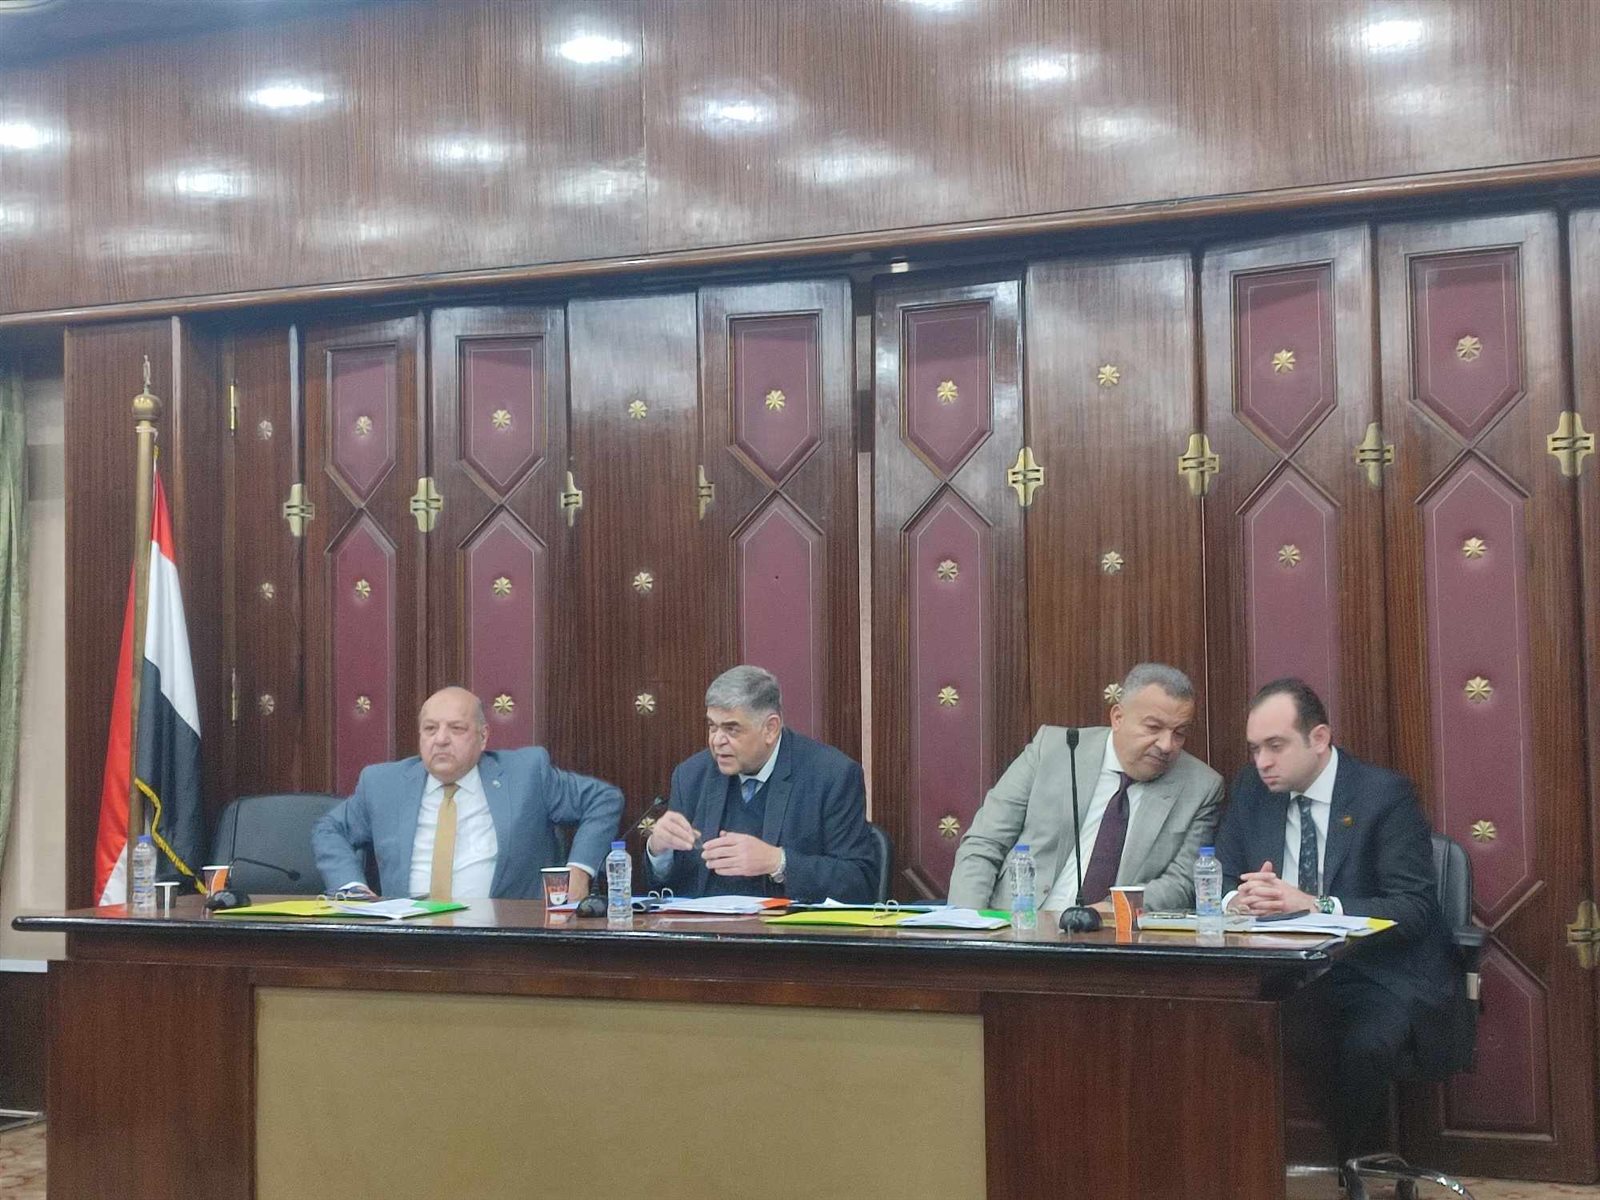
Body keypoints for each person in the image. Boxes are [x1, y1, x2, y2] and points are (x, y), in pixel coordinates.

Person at [1216, 678, 1468, 1173]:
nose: (1262, 762)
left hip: (1376, 971)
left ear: (1319, 738)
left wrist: (1316, 904)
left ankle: (1358, 1170)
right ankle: (1250, 1172)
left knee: (1359, 1046)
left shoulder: (1383, 795)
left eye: (1275, 746)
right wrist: (1236, 900)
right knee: (1230, 1033)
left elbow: (1414, 908)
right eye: (1255, 748)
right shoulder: (1251, 789)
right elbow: (1219, 875)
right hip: (1282, 969)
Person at [949, 662, 1222, 913]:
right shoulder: (1053, 749)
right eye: (1153, 728)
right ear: (1118, 717)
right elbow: (985, 843)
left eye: (1179, 733)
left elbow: (1182, 882)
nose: (1166, 745)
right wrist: (967, 927)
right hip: (1019, 925)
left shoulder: (1200, 786)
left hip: (1115, 936)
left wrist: (1109, 912)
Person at [313, 686, 623, 901]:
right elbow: (330, 830)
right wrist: (351, 888)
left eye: (456, 729)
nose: (441, 740)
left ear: (483, 736)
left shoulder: (526, 774)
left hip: (504, 940)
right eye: (430, 729)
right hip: (408, 941)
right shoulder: (383, 784)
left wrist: (579, 871)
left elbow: (604, 799)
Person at [645, 665, 875, 903]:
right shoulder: (691, 776)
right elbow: (671, 888)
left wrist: (778, 862)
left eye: (732, 729)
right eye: (712, 726)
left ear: (770, 729)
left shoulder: (831, 775)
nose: (717, 740)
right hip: (705, 925)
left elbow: (859, 882)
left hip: (789, 925)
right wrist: (660, 851)